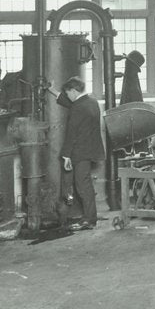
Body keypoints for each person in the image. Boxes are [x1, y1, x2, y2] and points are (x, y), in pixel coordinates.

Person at [53, 76, 106, 229]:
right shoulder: (92, 102)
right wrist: (53, 92)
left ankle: (89, 219)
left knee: (82, 186)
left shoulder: (78, 107)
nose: (68, 97)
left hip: (80, 152)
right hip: (90, 150)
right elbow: (72, 104)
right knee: (84, 184)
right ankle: (90, 217)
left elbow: (71, 133)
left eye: (68, 93)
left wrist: (66, 155)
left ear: (74, 91)